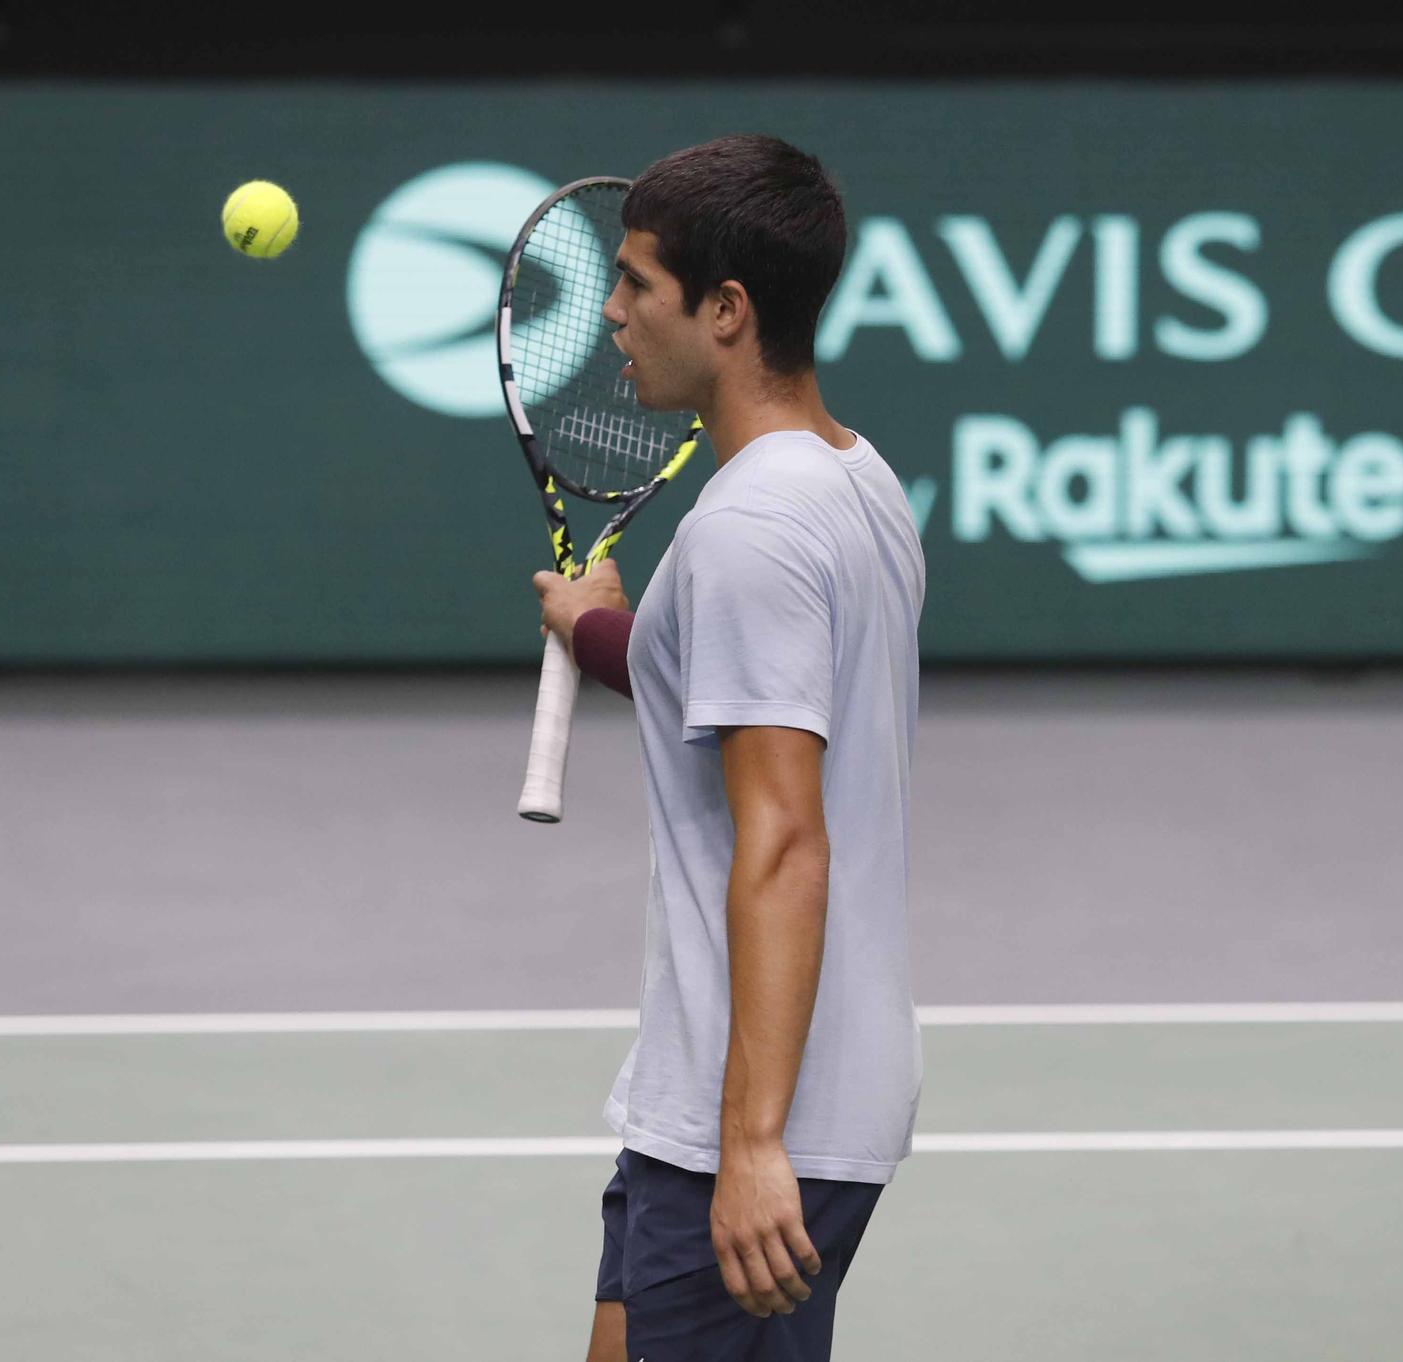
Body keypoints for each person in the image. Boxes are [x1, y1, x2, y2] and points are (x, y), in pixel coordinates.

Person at [531, 133, 925, 1362]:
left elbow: (785, 838)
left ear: (727, 310)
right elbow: (731, 687)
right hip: (727, 1097)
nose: (609, 315)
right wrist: (602, 630)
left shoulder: (746, 530)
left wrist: (752, 1144)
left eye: (636, 283)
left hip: (753, 1119)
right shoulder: (855, 481)